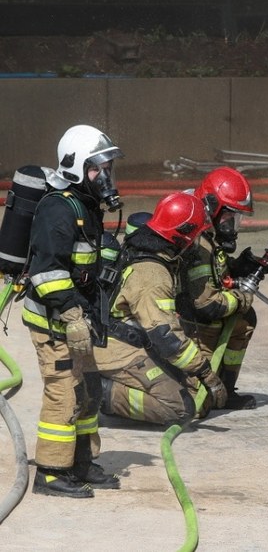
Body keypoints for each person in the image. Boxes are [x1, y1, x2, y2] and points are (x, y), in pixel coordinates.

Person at [22, 124, 124, 497]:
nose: (105, 176)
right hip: (53, 321)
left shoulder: (86, 206)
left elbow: (86, 260)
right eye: (97, 168)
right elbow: (46, 272)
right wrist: (71, 315)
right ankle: (50, 473)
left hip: (78, 318)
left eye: (107, 168)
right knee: (64, 392)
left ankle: (81, 461)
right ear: (76, 167)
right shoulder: (58, 208)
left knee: (89, 390)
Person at [95, 192, 227, 425]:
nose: (196, 244)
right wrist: (205, 372)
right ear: (181, 236)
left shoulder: (148, 248)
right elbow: (166, 337)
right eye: (195, 237)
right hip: (119, 351)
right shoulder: (153, 275)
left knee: (199, 399)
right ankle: (97, 391)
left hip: (134, 342)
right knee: (182, 408)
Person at [184, 166, 258, 409]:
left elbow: (214, 275)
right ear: (212, 207)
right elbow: (207, 305)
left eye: (237, 219)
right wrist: (242, 297)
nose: (233, 226)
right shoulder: (198, 240)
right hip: (186, 322)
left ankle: (226, 390)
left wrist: (238, 268)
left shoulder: (205, 230)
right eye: (229, 217)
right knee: (198, 405)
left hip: (192, 314)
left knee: (245, 319)